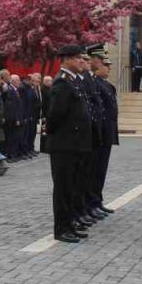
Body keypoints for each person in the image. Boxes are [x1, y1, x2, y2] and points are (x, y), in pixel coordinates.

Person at [45, 46, 93, 243]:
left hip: (74, 145)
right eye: (77, 58)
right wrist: (66, 136)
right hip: (64, 145)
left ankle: (70, 224)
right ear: (65, 60)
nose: (80, 61)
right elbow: (54, 116)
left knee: (72, 188)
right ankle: (61, 229)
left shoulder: (72, 82)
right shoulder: (62, 84)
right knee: (63, 189)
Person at [89, 48, 119, 221]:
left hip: (107, 133)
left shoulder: (106, 85)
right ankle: (92, 203)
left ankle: (97, 201)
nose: (109, 68)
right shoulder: (94, 83)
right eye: (106, 65)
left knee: (101, 171)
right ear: (97, 64)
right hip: (99, 135)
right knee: (95, 171)